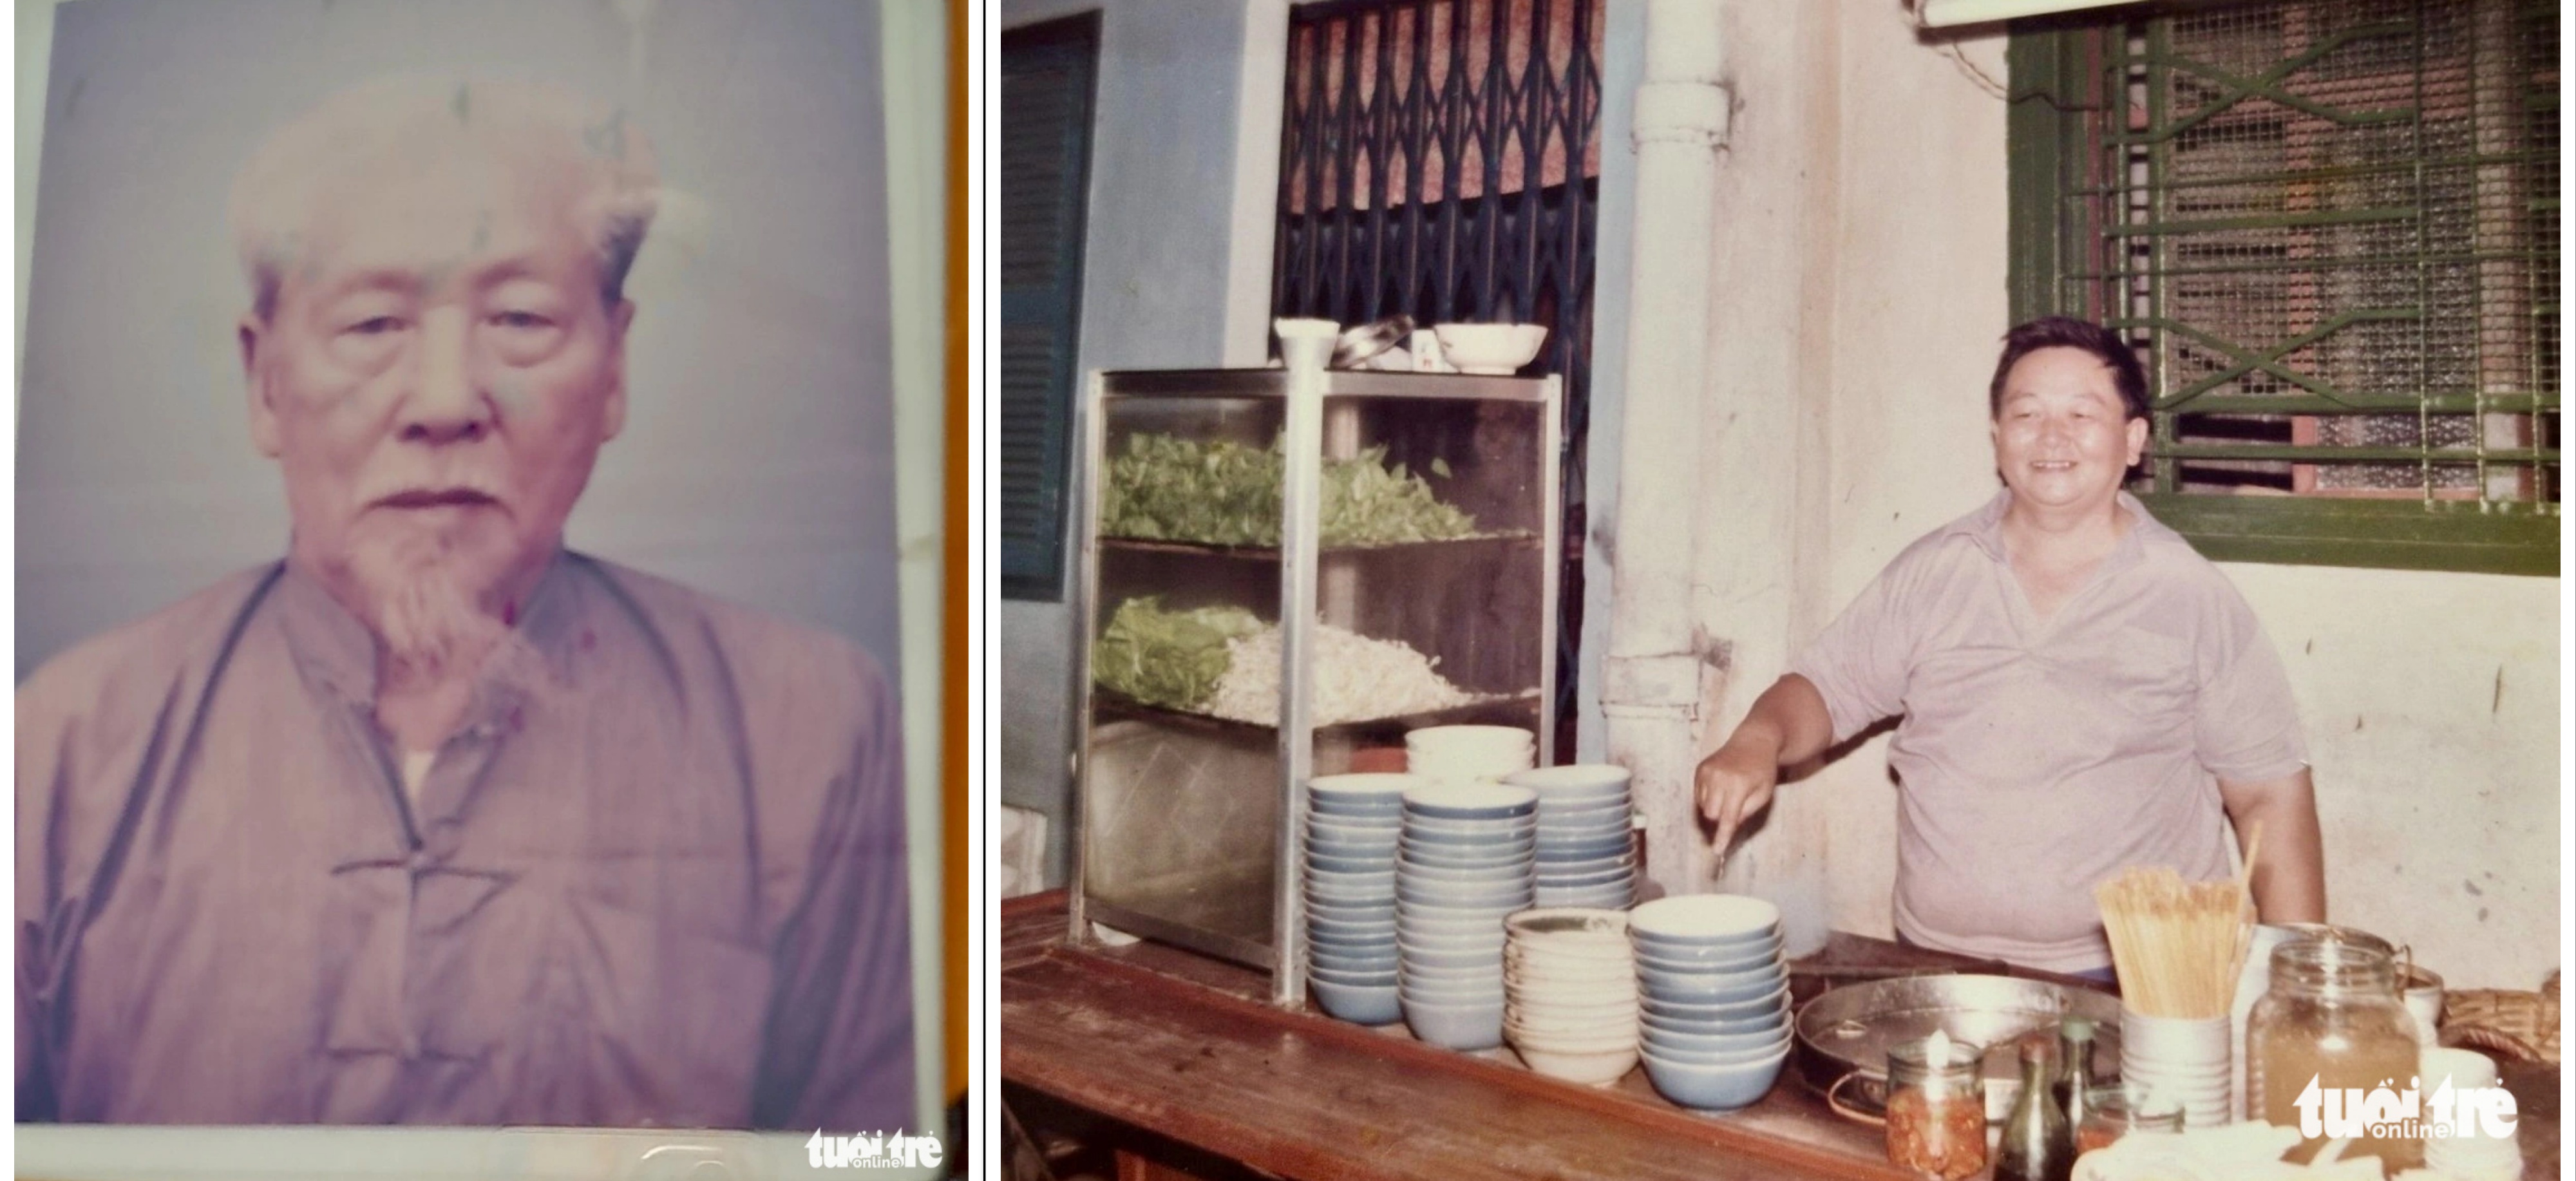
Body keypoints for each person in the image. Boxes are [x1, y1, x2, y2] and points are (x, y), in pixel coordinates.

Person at [15, 77, 913, 1129]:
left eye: (522, 317)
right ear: (263, 381)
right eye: (373, 321)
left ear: (614, 364)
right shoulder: (62, 743)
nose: (444, 401)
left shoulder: (809, 727)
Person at [1693, 316, 2325, 977]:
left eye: (2082, 414)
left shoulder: (2190, 595)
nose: (2052, 437)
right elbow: (1825, 689)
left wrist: (2308, 982)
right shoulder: (1935, 570)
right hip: (1935, 964)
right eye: (2026, 415)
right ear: (1998, 439)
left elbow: (2268, 797)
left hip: (2140, 975)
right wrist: (1756, 737)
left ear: (2132, 439)